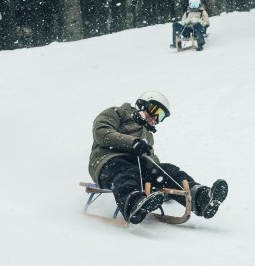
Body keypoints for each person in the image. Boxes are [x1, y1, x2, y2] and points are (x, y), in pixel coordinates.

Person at [88, 92, 228, 225]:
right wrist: (132, 142)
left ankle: (201, 198)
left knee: (167, 170)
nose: (155, 118)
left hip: (137, 169)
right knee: (126, 170)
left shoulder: (147, 135)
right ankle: (133, 204)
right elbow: (102, 132)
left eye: (160, 116)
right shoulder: (118, 113)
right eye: (154, 110)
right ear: (142, 104)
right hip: (107, 161)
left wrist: (163, 184)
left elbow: (152, 162)